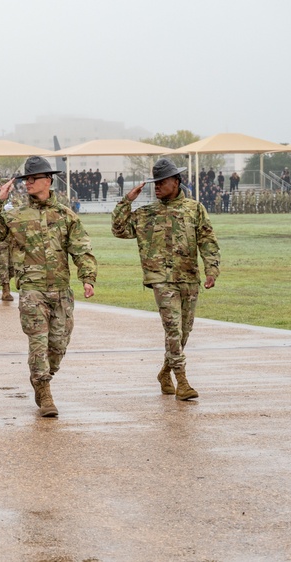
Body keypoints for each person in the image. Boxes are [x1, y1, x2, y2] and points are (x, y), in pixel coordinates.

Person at [0, 157, 97, 417]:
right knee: (39, 342)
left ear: (48, 180)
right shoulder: (15, 216)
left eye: (33, 179)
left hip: (61, 290)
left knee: (58, 344)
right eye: (26, 180)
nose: (28, 183)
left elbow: (81, 248)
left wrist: (88, 277)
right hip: (32, 290)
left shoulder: (66, 215)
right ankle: (44, 391)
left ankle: (43, 376)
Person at [112, 158, 220, 401]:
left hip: (188, 277)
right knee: (172, 328)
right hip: (160, 278)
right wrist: (127, 200)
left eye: (162, 182)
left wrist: (212, 269)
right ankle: (182, 381)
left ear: (176, 182)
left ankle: (164, 373)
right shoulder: (146, 213)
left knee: (183, 332)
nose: (157, 187)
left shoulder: (194, 209)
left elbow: (207, 240)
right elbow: (119, 230)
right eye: (154, 183)